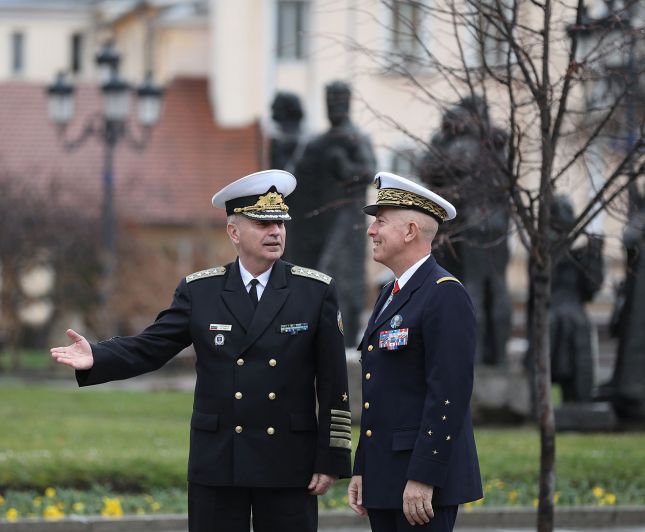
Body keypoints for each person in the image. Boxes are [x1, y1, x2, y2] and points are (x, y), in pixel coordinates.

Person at [51, 169, 352, 532]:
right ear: (233, 232)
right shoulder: (201, 291)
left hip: (288, 459)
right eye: (262, 223)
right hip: (220, 458)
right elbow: (153, 346)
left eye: (280, 223)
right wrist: (98, 356)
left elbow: (334, 384)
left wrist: (331, 458)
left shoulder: (314, 291)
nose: (275, 232)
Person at [347, 172, 482, 532]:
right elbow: (380, 393)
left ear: (409, 231)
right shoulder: (389, 294)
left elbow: (449, 394)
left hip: (421, 482)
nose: (371, 231)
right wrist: (363, 467)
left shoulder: (444, 293)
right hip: (385, 474)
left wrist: (424, 475)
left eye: (380, 221)